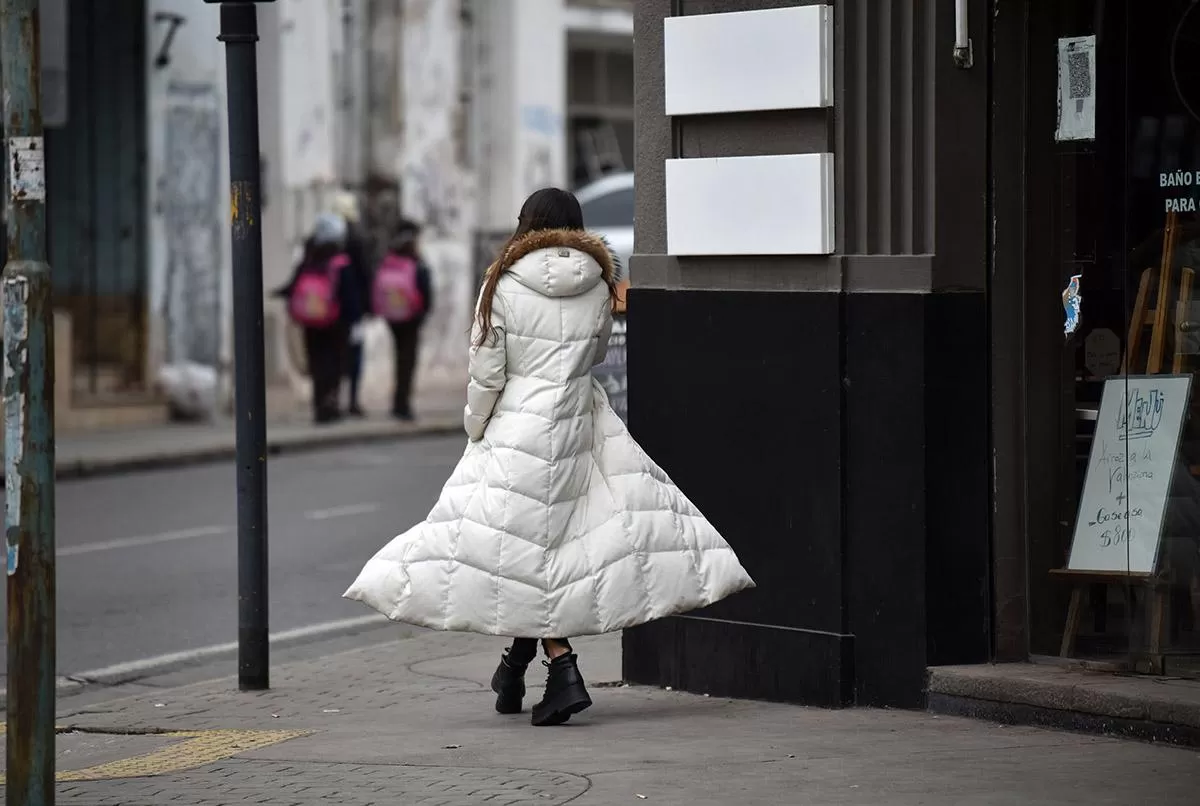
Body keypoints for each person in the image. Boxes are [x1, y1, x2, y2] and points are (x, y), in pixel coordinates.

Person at [344, 188, 754, 727]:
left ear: (527, 226)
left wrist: (475, 425)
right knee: (547, 547)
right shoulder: (600, 282)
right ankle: (513, 668)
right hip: (580, 422)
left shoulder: (502, 284)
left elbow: (488, 370)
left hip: (517, 427)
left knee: (515, 550)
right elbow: (599, 351)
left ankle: (563, 672)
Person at [277, 213, 353, 424]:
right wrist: (355, 317)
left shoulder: (309, 259)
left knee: (317, 363)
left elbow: (295, 284)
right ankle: (330, 404)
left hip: (311, 321)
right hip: (335, 323)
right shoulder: (340, 262)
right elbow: (349, 294)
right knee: (335, 364)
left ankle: (319, 405)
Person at [373, 218, 434, 421]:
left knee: (399, 358)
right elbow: (425, 291)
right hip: (411, 318)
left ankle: (398, 402)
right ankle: (402, 405)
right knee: (407, 362)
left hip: (393, 317)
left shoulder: (390, 259)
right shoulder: (416, 261)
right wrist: (423, 312)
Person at [331, 192, 373, 417]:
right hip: (353, 311)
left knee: (334, 356)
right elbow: (365, 275)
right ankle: (352, 401)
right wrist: (369, 306)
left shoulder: (325, 240)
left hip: (329, 310)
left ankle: (334, 400)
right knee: (354, 356)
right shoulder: (357, 241)